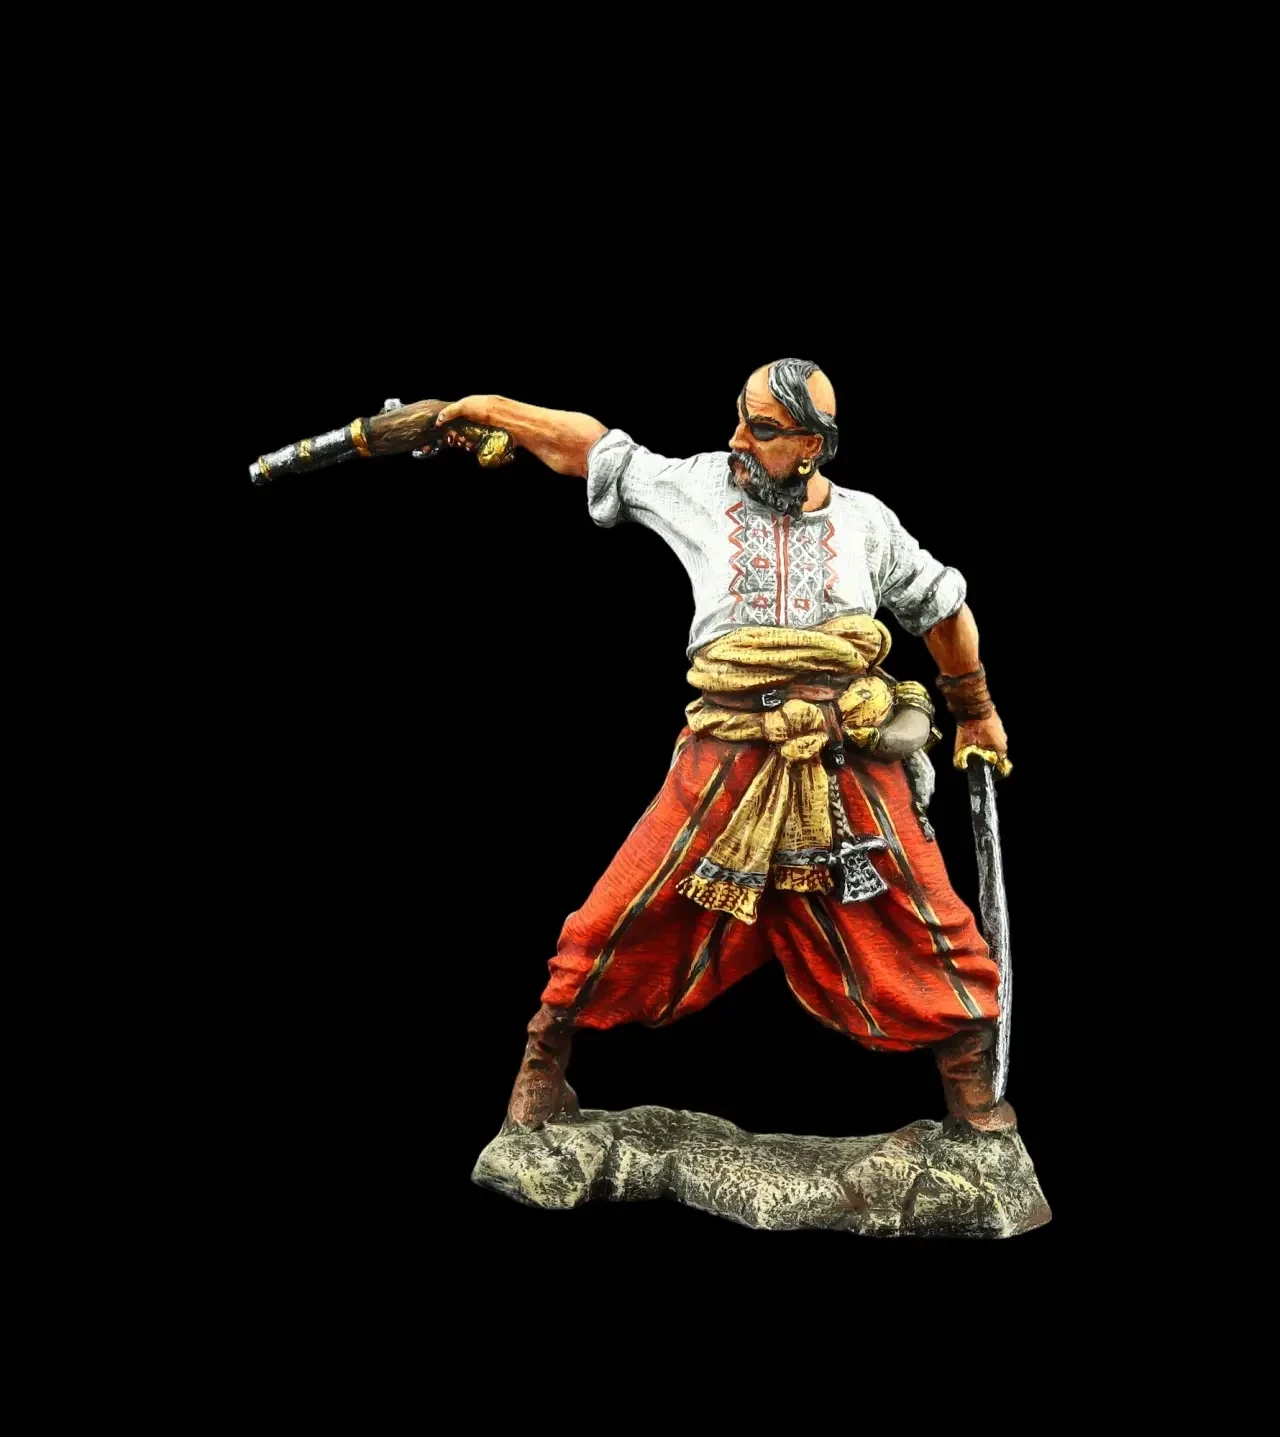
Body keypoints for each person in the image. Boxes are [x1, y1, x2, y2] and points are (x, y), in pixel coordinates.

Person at [435, 359, 1015, 1137]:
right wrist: (489, 406)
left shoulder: (866, 524)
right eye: (741, 416)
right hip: (727, 753)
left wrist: (974, 709)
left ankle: (972, 1093)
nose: (738, 438)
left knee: (927, 919)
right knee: (620, 909)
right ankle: (544, 1056)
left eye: (763, 429)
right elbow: (594, 448)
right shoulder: (702, 486)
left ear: (812, 445)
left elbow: (943, 608)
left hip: (843, 757)